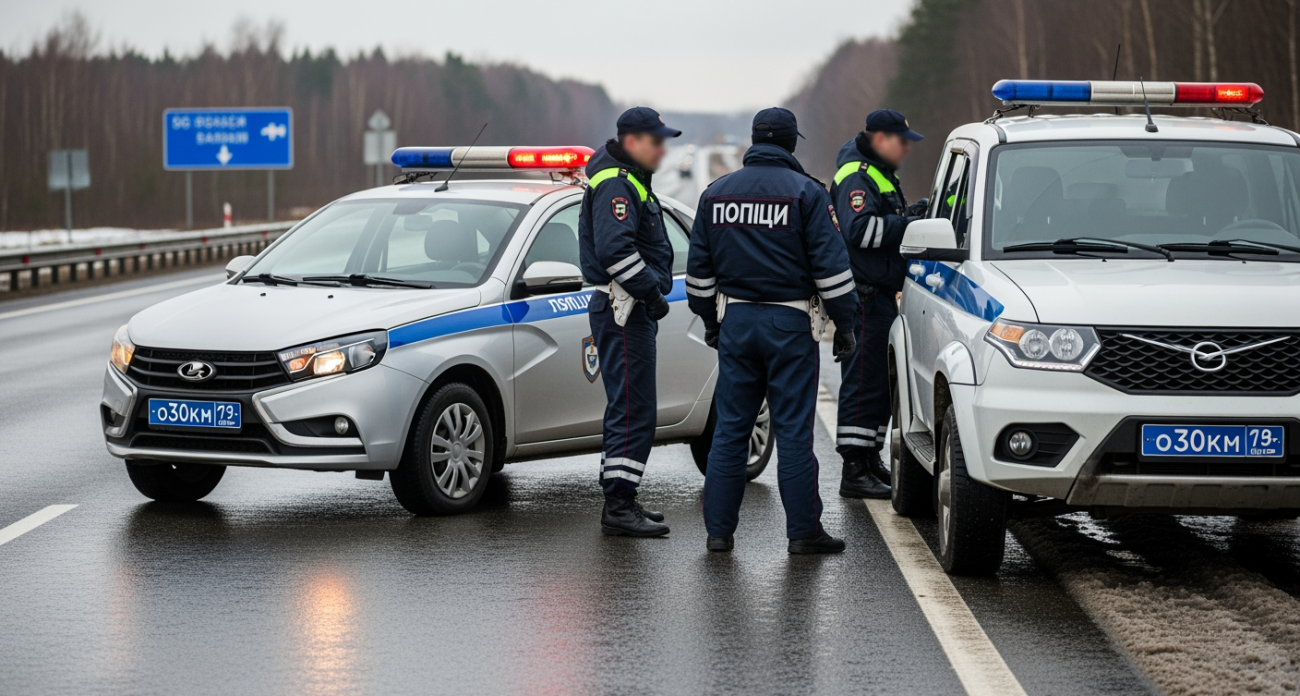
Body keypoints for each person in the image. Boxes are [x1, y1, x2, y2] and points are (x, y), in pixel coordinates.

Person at [686, 107, 859, 554]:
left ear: (754, 141)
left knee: (730, 431)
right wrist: (847, 324)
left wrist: (710, 321)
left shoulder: (715, 195)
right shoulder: (806, 194)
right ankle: (803, 533)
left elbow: (699, 276)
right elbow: (833, 271)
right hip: (790, 323)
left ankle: (719, 534)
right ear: (791, 144)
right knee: (794, 432)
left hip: (736, 322)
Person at [578, 106, 680, 537]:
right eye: (655, 141)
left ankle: (624, 495)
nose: (662, 149)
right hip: (625, 308)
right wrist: (653, 294)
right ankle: (618, 505)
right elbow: (616, 252)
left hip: (627, 307)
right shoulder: (618, 185)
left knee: (633, 406)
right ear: (632, 141)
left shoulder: (629, 180)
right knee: (632, 407)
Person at [829, 109, 929, 499]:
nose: (906, 149)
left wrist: (908, 215)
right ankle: (854, 469)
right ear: (880, 139)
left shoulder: (878, 173)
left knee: (879, 387)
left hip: (880, 295)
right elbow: (861, 231)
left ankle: (869, 459)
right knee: (862, 384)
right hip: (863, 296)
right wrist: (908, 224)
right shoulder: (857, 175)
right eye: (902, 141)